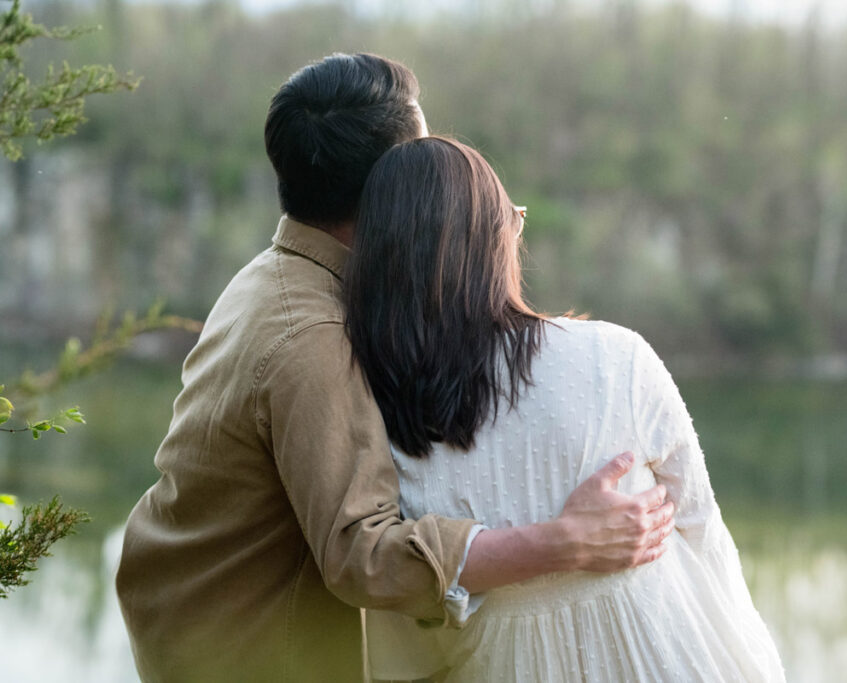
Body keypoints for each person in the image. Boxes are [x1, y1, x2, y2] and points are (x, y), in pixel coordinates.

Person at [115, 53, 676, 682]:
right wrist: (563, 542)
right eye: (420, 155)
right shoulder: (310, 336)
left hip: (185, 622)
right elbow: (362, 553)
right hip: (251, 647)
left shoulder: (280, 273)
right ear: (390, 185)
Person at [347, 136, 787, 682]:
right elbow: (703, 536)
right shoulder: (614, 359)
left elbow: (408, 631)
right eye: (513, 220)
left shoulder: (380, 419)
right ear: (493, 242)